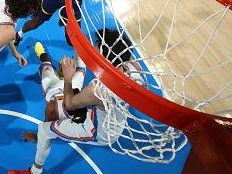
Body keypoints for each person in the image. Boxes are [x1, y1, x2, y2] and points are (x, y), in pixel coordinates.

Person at [12, 30, 144, 174]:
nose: (93, 48)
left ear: (103, 54)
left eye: (96, 46)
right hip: (111, 117)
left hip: (97, 131)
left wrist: (68, 77)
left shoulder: (98, 90)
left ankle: (35, 171)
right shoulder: (134, 68)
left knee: (44, 130)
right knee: (73, 72)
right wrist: (76, 36)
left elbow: (69, 103)